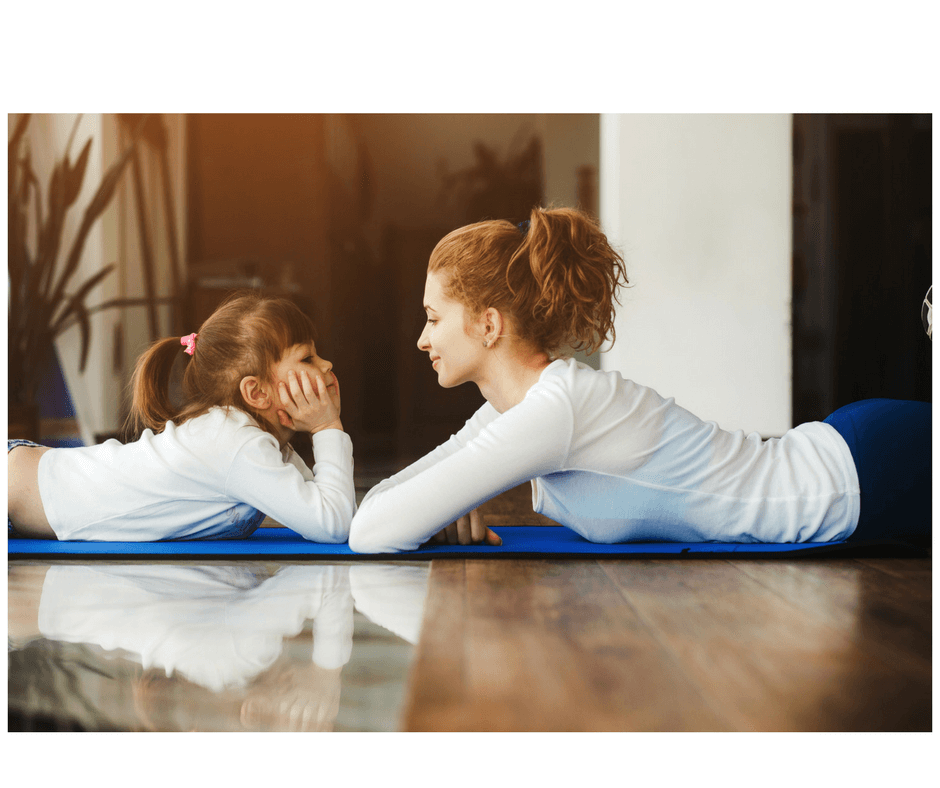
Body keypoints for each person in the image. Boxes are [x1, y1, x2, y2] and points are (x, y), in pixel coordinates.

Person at [348, 207, 931, 553]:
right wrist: (431, 510)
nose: (422, 340)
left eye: (431, 318)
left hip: (860, 477)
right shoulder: (512, 412)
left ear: (488, 324)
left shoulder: (558, 409)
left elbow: (372, 532)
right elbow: (378, 507)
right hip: (852, 461)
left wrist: (426, 510)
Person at [7, 291, 355, 542]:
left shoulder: (251, 441)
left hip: (24, 478)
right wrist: (326, 427)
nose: (327, 365)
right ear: (257, 393)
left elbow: (330, 506)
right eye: (307, 358)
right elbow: (332, 524)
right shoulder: (238, 446)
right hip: (14, 490)